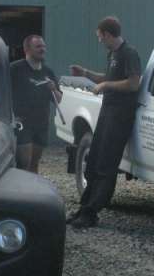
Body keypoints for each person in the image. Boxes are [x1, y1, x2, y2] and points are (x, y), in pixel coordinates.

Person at [66, 16, 142, 228]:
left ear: (108, 34)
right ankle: (84, 208)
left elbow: (133, 83)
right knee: (94, 161)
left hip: (120, 116)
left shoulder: (129, 53)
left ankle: (91, 213)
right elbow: (108, 77)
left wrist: (106, 85)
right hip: (107, 113)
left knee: (106, 166)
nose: (100, 41)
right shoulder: (113, 54)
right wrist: (86, 73)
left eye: (100, 37)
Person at [10, 35, 62, 174]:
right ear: (27, 49)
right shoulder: (15, 69)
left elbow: (59, 99)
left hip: (41, 124)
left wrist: (53, 89)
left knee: (34, 164)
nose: (42, 49)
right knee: (24, 162)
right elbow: (2, 90)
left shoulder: (48, 72)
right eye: (38, 46)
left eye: (43, 46)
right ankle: (19, 192)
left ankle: (32, 193)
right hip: (22, 123)